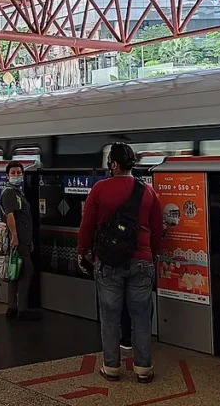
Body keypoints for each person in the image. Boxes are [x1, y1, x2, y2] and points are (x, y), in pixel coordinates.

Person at [77, 143, 163, 384]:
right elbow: (157, 229)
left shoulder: (99, 189)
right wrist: (152, 254)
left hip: (108, 261)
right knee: (141, 316)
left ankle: (111, 367)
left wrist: (82, 251)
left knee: (110, 316)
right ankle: (143, 368)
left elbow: (87, 225)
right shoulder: (148, 191)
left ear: (114, 164)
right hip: (142, 261)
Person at [1, 160, 38, 319]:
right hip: (18, 239)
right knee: (26, 271)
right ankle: (22, 309)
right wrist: (15, 236)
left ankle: (12, 308)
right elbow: (10, 215)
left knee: (15, 272)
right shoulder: (9, 192)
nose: (16, 175)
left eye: (18, 172)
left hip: (23, 238)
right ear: (7, 175)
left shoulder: (17, 192)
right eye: (13, 173)